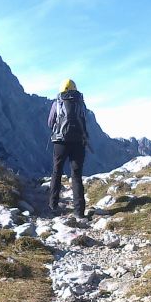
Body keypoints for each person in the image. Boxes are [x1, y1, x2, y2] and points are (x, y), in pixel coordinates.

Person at [48, 78, 89, 219]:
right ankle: (79, 212)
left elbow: (50, 122)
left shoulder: (57, 103)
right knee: (76, 175)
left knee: (57, 171)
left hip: (60, 142)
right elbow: (84, 120)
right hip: (78, 142)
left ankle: (53, 205)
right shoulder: (81, 103)